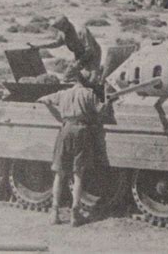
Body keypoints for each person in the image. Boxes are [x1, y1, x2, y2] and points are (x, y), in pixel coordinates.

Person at [37, 66, 107, 227]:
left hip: (66, 129)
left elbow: (44, 99)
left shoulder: (63, 94)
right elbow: (101, 111)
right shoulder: (89, 94)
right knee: (78, 174)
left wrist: (55, 110)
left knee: (59, 173)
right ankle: (75, 214)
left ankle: (54, 213)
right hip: (82, 131)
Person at [28, 16, 102, 85]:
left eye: (61, 28)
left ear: (66, 24)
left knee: (93, 79)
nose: (60, 30)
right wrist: (39, 46)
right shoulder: (62, 32)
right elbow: (56, 43)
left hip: (93, 54)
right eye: (59, 29)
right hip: (79, 54)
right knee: (67, 77)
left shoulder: (81, 31)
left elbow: (89, 49)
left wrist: (79, 62)